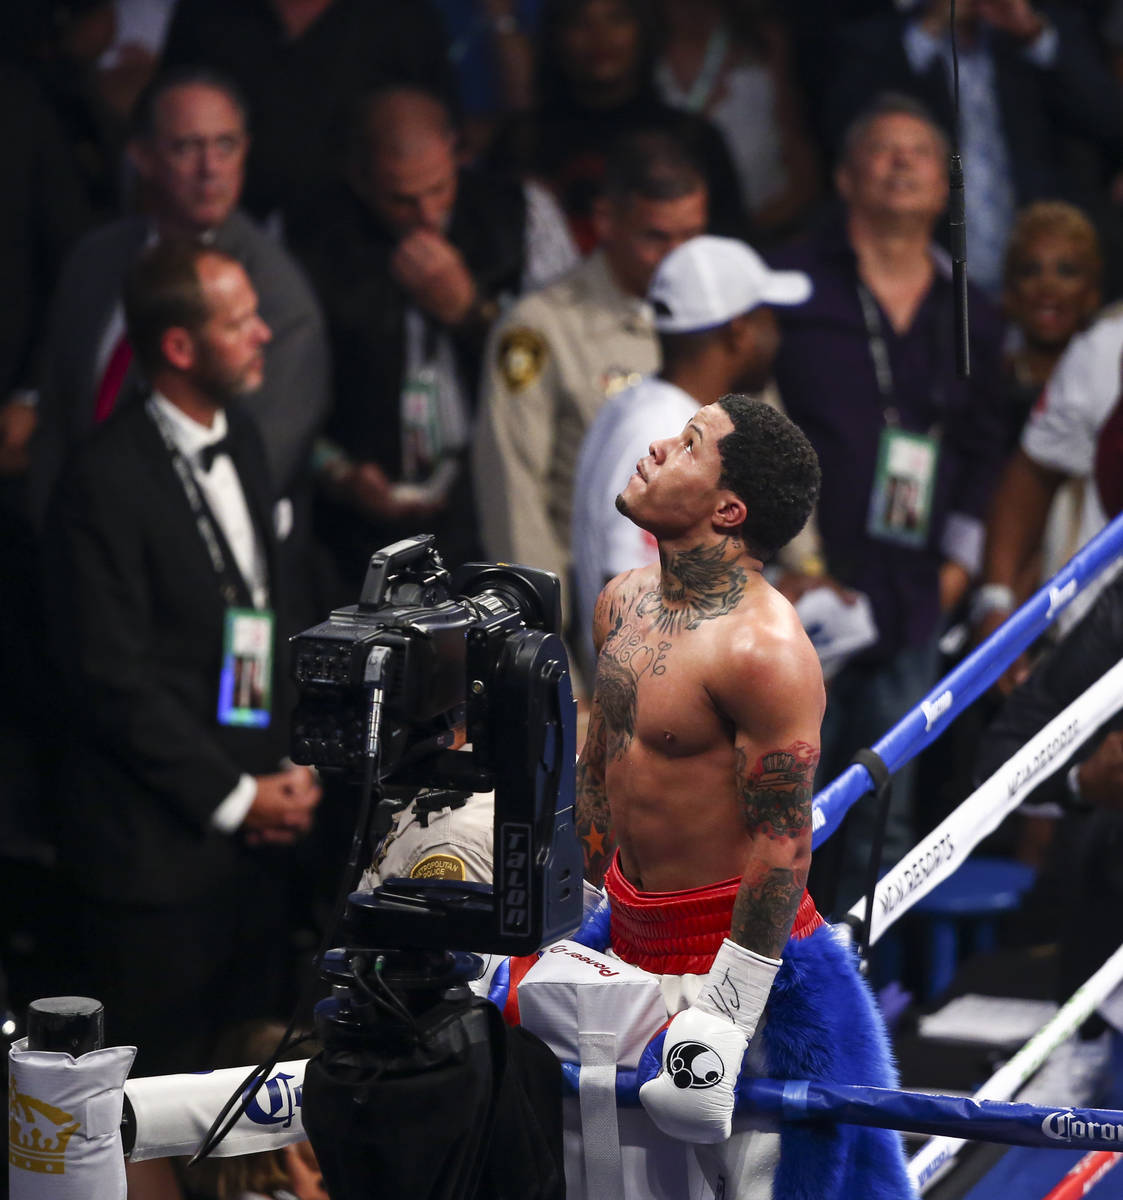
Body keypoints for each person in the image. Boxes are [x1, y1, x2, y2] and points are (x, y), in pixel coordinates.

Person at [568, 395, 909, 1195]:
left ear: (726, 508)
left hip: (730, 961)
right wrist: (575, 920)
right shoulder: (620, 599)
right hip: (623, 943)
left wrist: (730, 1003)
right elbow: (599, 768)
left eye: (687, 445)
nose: (654, 448)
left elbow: (781, 840)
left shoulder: (765, 648)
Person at [42, 241, 322, 1074]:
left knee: (250, 1092)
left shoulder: (242, 435)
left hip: (260, 848)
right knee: (157, 1106)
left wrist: (289, 764)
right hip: (155, 862)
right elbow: (109, 681)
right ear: (177, 347)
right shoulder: (98, 482)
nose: (265, 333)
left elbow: (260, 615)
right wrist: (236, 798)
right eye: (239, 322)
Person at [768, 93, 1006, 907]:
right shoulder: (791, 283)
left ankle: (867, 997)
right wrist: (774, 561)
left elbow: (984, 445)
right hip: (799, 592)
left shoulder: (972, 307)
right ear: (842, 175)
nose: (903, 162)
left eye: (920, 152)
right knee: (777, 818)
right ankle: (769, 999)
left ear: (945, 190)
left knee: (886, 818)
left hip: (912, 590)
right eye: (882, 148)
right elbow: (749, 412)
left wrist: (958, 568)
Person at [295, 84, 576, 591]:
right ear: (360, 178)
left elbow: (565, 369)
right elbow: (278, 389)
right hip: (354, 530)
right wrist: (336, 472)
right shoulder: (307, 235)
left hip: (494, 503)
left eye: (440, 190)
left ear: (457, 151)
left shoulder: (521, 212)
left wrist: (474, 313)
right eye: (402, 200)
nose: (428, 215)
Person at [29, 65, 331, 523]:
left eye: (225, 145)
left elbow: (255, 469)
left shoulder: (278, 299)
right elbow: (56, 415)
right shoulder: (96, 258)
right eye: (186, 147)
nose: (210, 169)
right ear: (143, 156)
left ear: (245, 150)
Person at [474, 129, 707, 637]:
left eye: (692, 236)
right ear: (606, 221)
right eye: (657, 237)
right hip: (591, 616)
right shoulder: (539, 331)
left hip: (711, 613)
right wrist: (546, 652)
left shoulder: (715, 317)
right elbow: (516, 501)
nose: (679, 257)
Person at [570, 233, 819, 677]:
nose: (775, 336)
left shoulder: (635, 404)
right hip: (657, 715)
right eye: (768, 318)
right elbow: (636, 606)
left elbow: (687, 580)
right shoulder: (664, 429)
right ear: (738, 330)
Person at [825, 0, 1123, 294]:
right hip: (929, 277)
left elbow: (1108, 122)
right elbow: (848, 134)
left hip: (1040, 275)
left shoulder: (1045, 28)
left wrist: (1031, 33)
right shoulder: (877, 39)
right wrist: (928, 30)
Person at [158, 0, 457, 238]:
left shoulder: (404, 16)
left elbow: (437, 139)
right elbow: (161, 122)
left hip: (363, 256)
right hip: (222, 232)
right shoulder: (206, 11)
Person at [489, 0, 748, 250]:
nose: (600, 37)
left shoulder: (693, 139)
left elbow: (730, 249)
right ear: (557, 35)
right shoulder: (523, 141)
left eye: (617, 19)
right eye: (580, 22)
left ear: (643, 30)